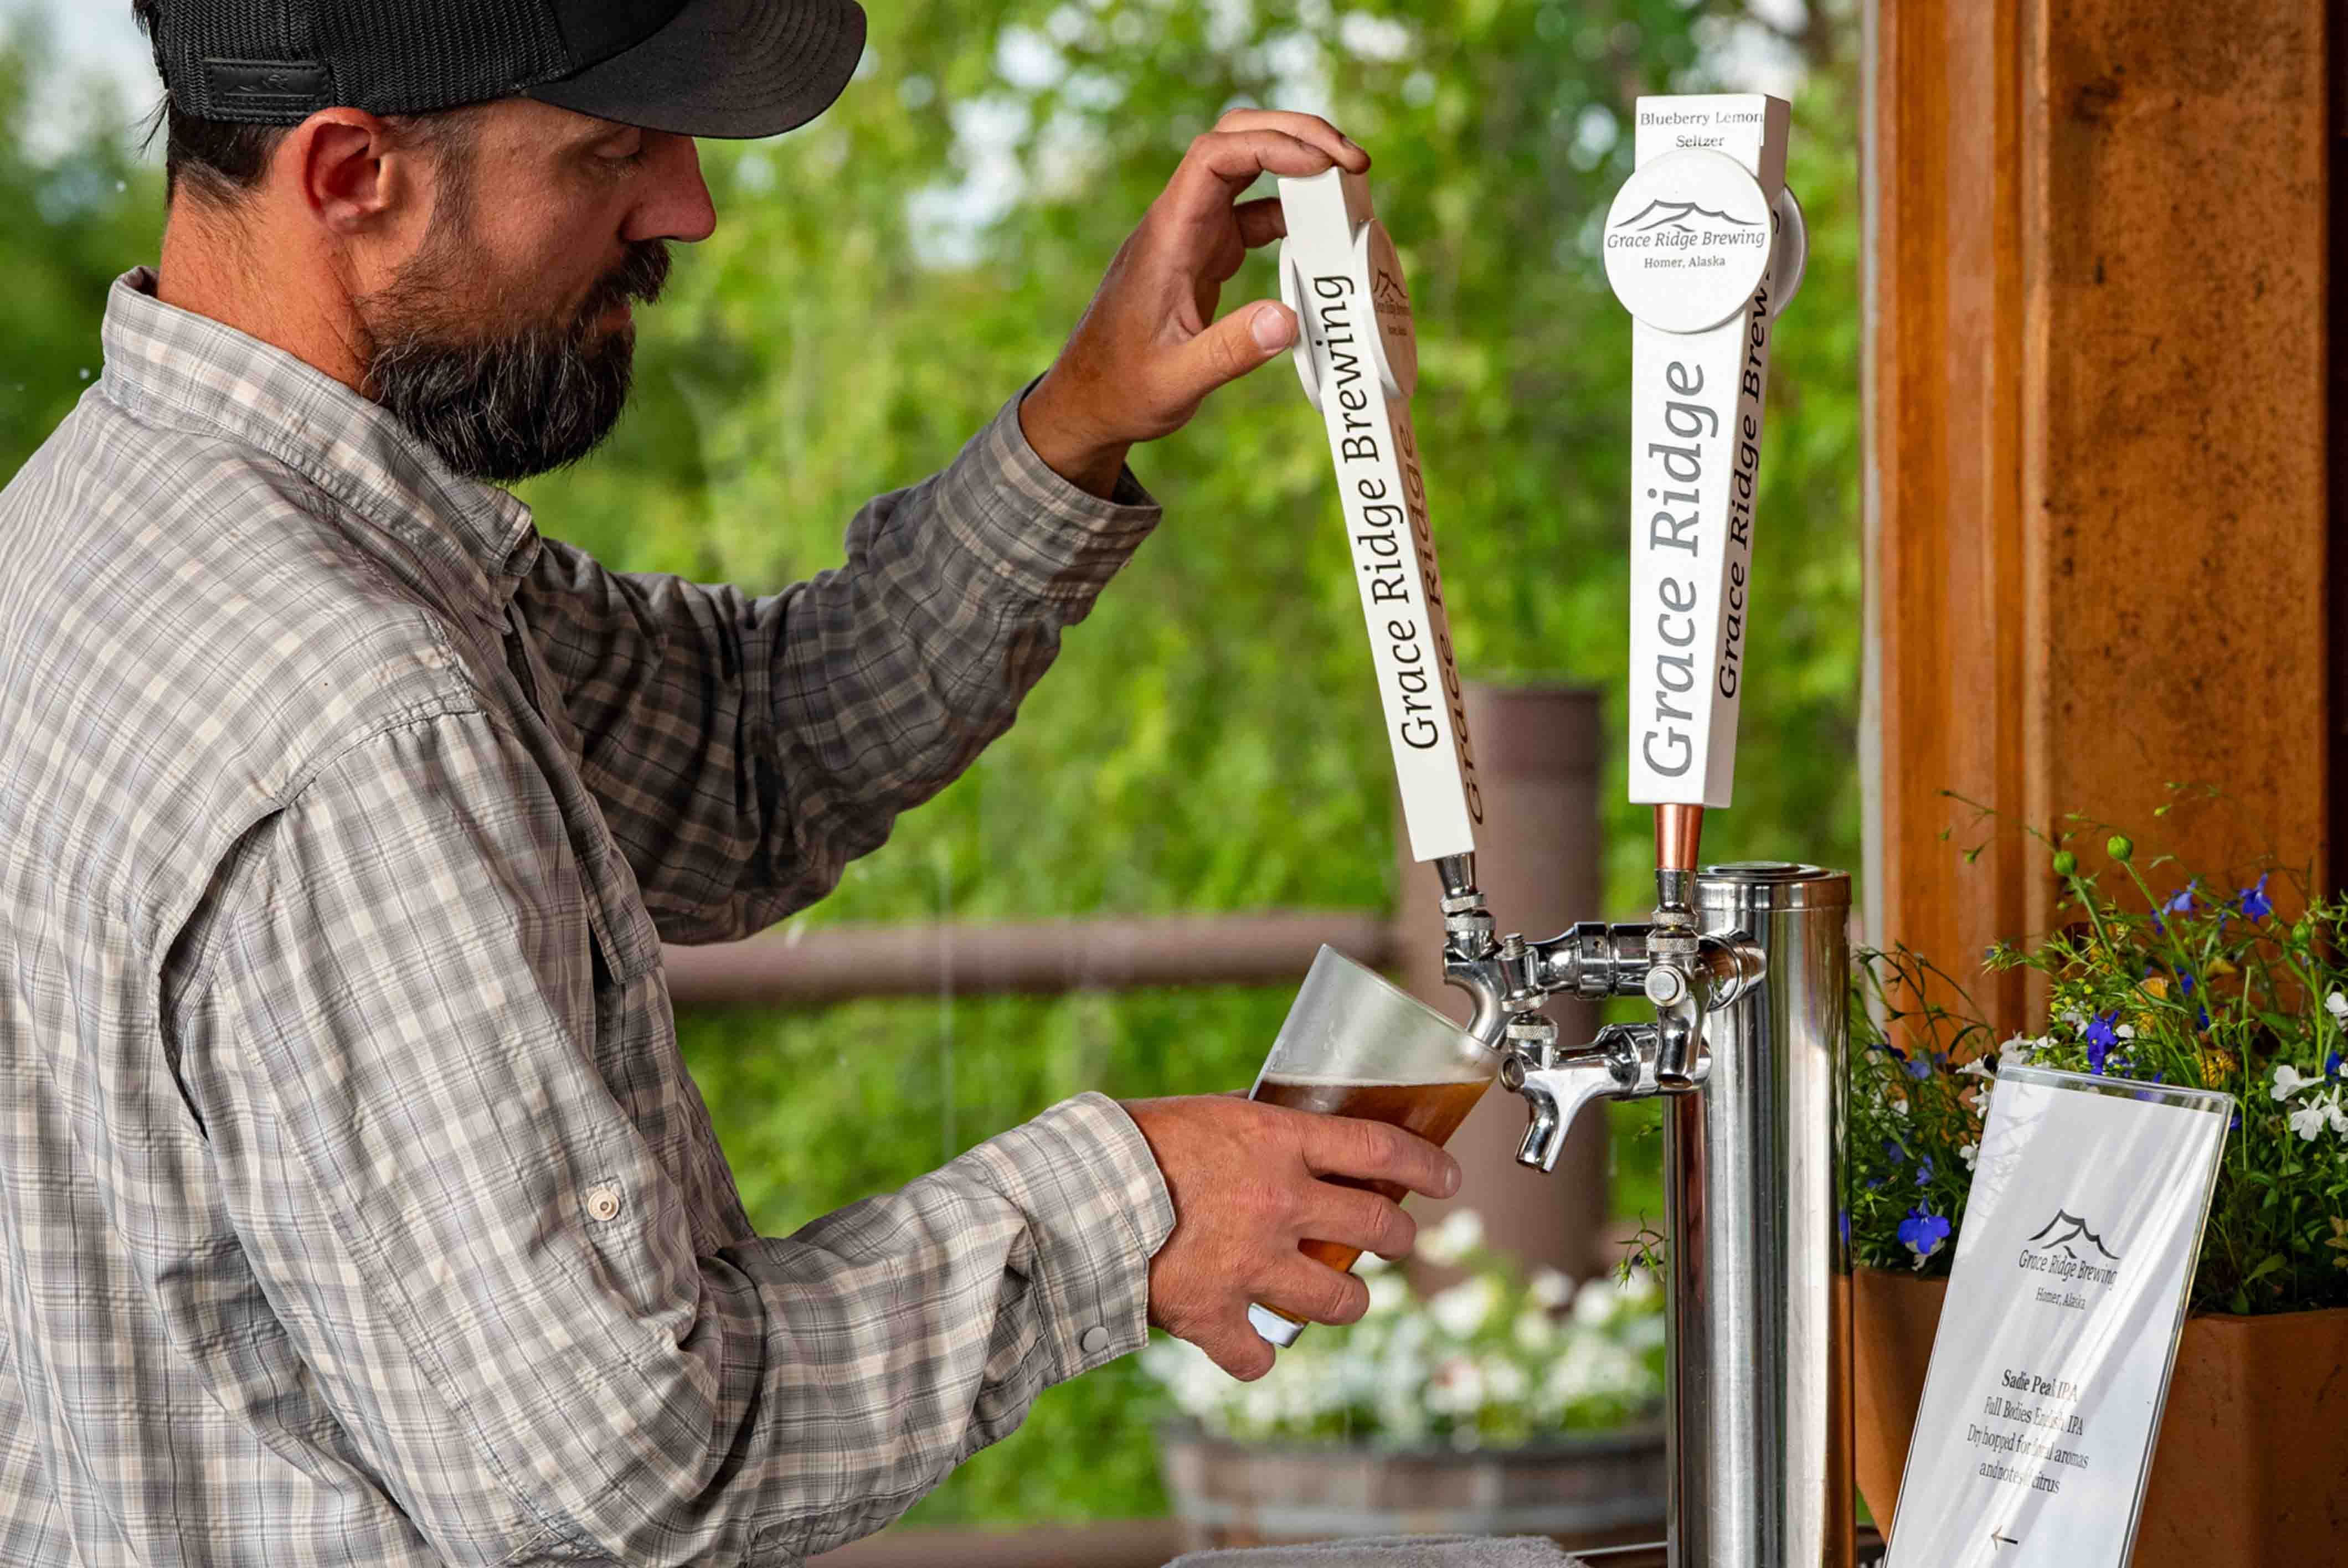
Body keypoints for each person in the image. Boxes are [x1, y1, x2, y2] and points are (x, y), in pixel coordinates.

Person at [0, 2, 1463, 1564]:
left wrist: (1082, 414)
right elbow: (634, 1479)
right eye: (610, 153)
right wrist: (1130, 1205)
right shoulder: (356, 719)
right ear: (356, 171)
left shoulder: (104, 520)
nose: (685, 207)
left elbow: (748, 758)